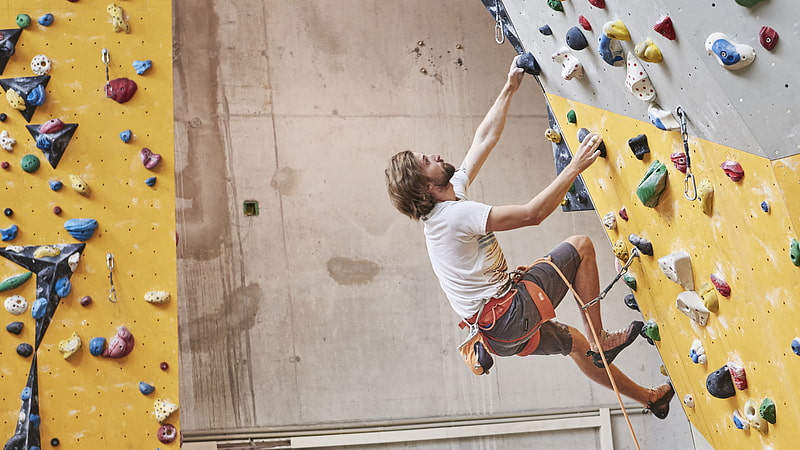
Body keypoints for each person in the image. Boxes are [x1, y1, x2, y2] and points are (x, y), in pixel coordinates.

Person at [384, 55, 674, 418]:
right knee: (581, 247)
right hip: (507, 315)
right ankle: (601, 340)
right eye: (427, 160)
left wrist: (510, 86)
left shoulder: (448, 198)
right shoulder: (453, 216)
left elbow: (484, 138)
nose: (436, 155)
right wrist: (575, 165)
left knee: (573, 343)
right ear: (428, 187)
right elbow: (532, 214)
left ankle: (650, 398)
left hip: (498, 335)